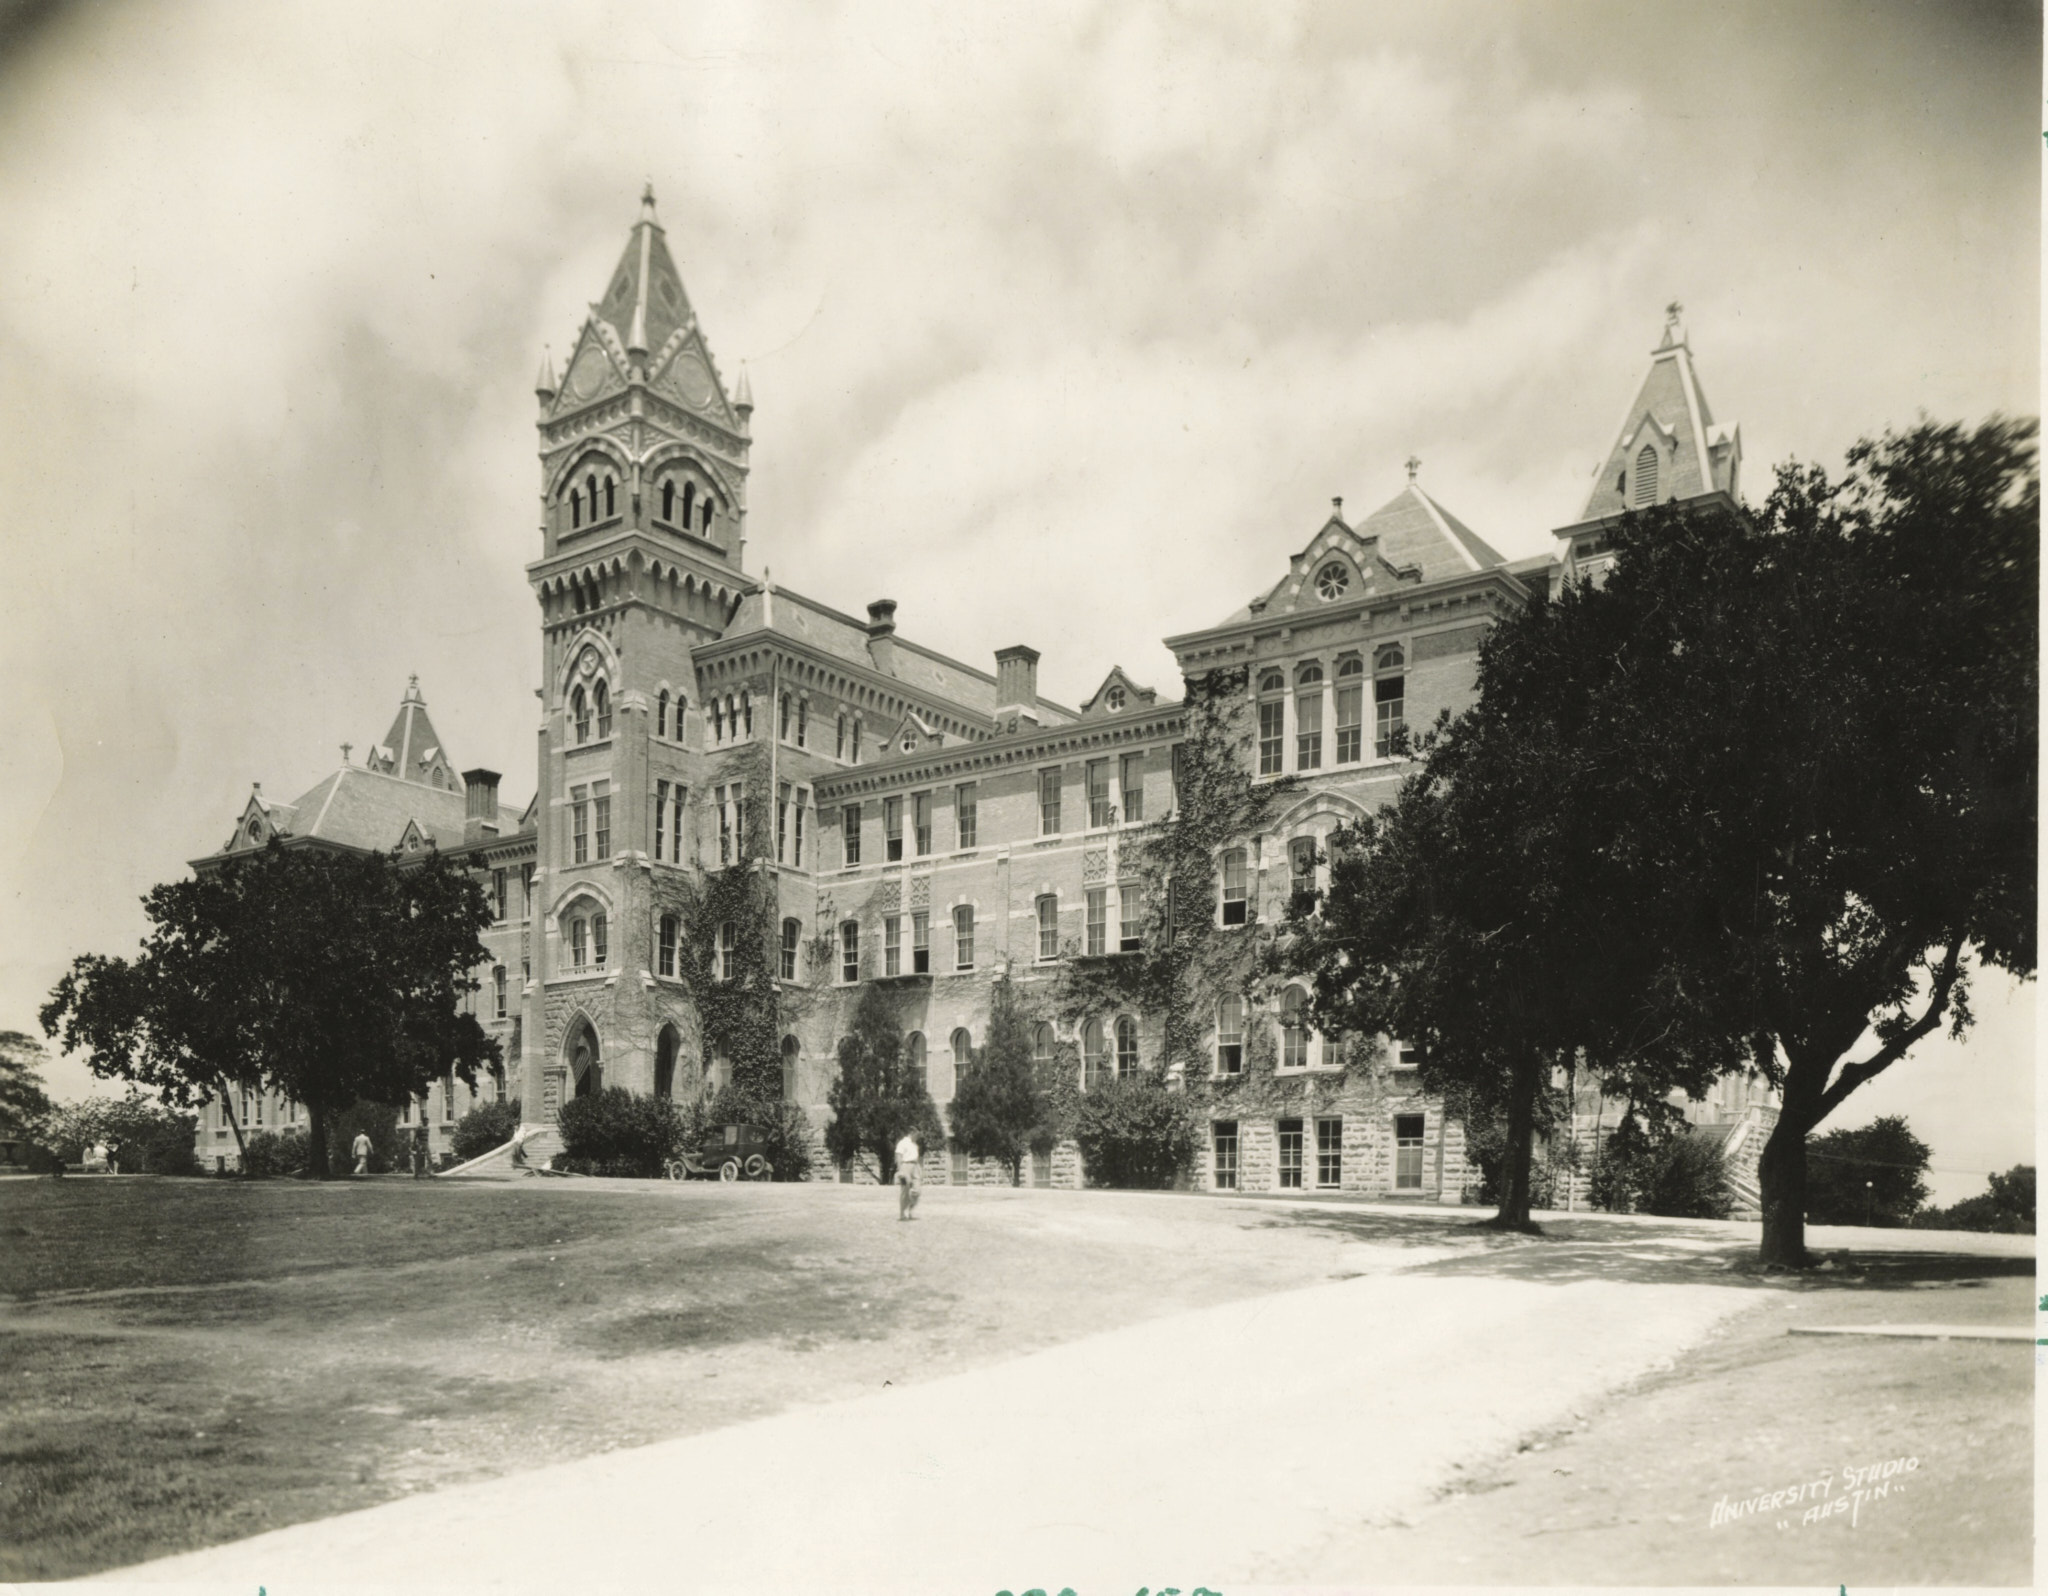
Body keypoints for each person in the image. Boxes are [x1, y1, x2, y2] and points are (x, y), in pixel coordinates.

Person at [895, 1131, 922, 1220]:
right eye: (917, 1135)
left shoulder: (915, 1145)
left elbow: (916, 1158)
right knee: (905, 1191)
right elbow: (899, 1156)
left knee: (917, 1191)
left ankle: (910, 1211)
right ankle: (902, 1214)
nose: (918, 1137)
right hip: (905, 1166)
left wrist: (919, 1169)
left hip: (915, 1166)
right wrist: (900, 1170)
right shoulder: (902, 1143)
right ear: (912, 1133)